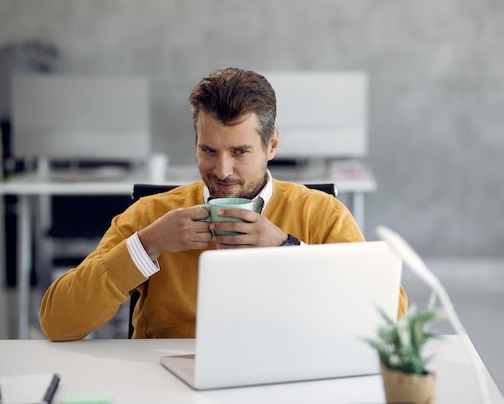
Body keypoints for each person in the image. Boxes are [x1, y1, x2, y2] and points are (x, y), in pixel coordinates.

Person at [39, 68, 408, 341]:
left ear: (272, 146)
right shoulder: (151, 215)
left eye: (240, 152)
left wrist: (288, 250)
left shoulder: (320, 213)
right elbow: (58, 322)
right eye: (208, 151)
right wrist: (146, 246)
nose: (223, 171)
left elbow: (392, 316)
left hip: (286, 378)